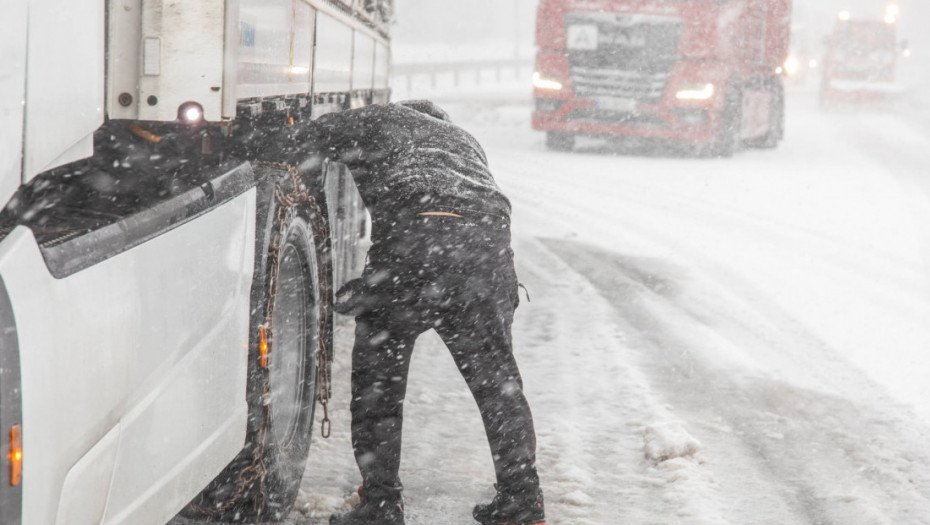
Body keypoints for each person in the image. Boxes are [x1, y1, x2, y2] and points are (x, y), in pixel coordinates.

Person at [287, 100, 545, 525]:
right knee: (499, 388)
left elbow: (300, 141)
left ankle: (381, 503)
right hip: (487, 257)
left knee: (379, 389)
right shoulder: (465, 141)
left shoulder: (379, 118)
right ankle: (523, 500)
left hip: (415, 242)